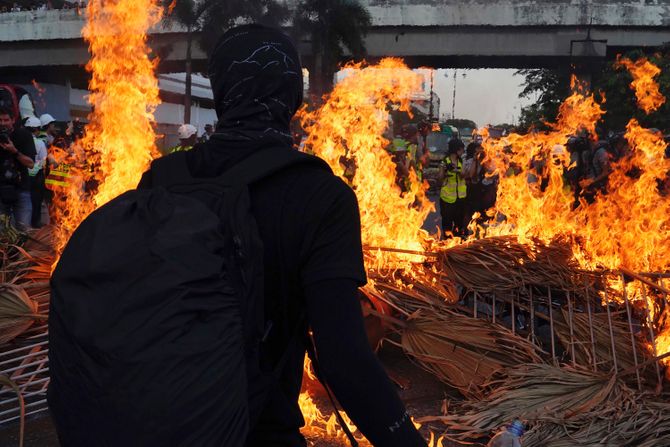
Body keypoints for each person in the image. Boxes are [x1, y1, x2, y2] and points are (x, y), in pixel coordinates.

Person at [139, 24, 427, 447]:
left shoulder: (159, 181)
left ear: (220, 95)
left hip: (157, 424)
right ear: (292, 98)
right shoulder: (320, 196)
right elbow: (344, 361)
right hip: (259, 431)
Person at [0, 107, 36, 230]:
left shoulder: (24, 135)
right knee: (3, 232)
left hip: (21, 190)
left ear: (13, 120)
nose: (2, 123)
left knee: (24, 228)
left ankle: (22, 250)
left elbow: (30, 164)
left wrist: (14, 151)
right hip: (1, 190)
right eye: (0, 120)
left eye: (6, 120)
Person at [25, 116, 52, 227]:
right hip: (36, 178)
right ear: (36, 129)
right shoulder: (40, 143)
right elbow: (44, 161)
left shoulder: (20, 141)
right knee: (36, 204)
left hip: (24, 177)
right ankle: (34, 225)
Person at [439, 138, 467, 237]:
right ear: (457, 149)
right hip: (447, 198)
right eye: (461, 149)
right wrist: (446, 171)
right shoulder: (445, 161)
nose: (463, 151)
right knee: (447, 223)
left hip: (460, 198)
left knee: (459, 223)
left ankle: (458, 243)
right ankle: (447, 243)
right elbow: (440, 178)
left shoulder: (461, 160)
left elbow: (464, 174)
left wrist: (457, 170)